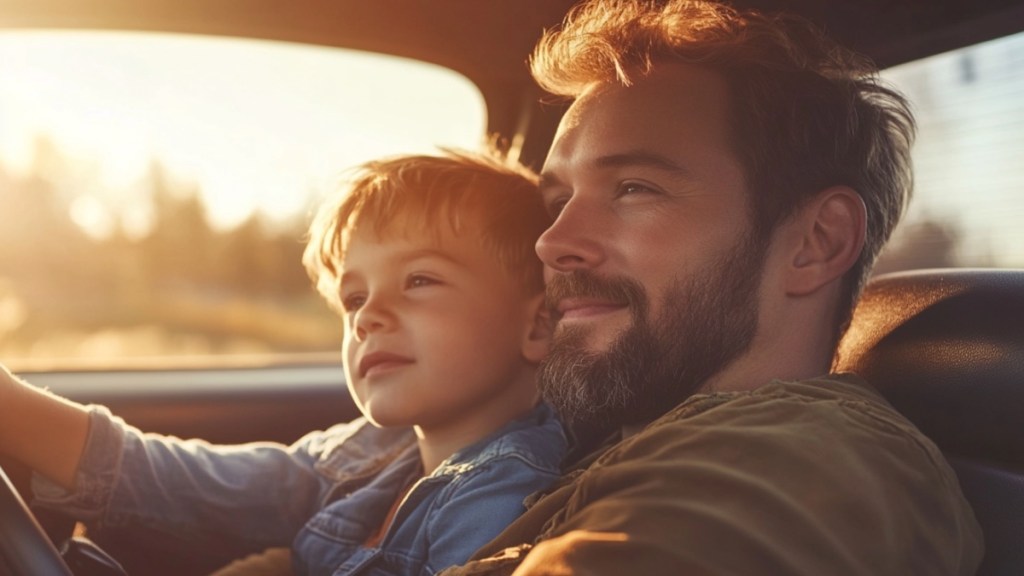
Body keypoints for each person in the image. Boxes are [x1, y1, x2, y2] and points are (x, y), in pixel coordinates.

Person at [436, 1, 984, 574]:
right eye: (557, 202)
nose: (552, 242)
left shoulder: (800, 456)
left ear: (816, 242)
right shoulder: (569, 446)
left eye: (634, 189)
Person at [0, 149, 568, 575]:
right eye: (353, 298)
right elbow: (184, 484)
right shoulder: (360, 457)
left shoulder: (508, 491)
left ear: (537, 325)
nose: (368, 315)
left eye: (419, 280)